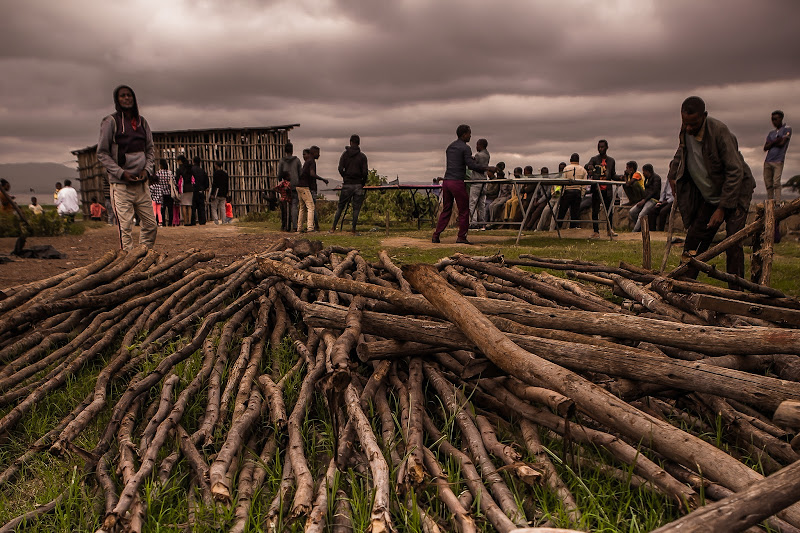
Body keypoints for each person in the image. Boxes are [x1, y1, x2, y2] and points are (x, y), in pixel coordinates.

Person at [667, 96, 755, 281]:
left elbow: (735, 171)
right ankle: (684, 284)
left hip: (736, 192)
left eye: (694, 124)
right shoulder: (686, 130)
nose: (689, 128)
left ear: (704, 116)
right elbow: (681, 152)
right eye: (686, 123)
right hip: (710, 195)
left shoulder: (719, 132)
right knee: (694, 239)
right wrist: (673, 174)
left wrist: (722, 209)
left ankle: (738, 293)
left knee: (733, 242)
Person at [96, 85, 157, 250]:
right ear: (117, 100)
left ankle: (143, 256)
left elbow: (150, 149)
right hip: (121, 185)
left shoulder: (142, 122)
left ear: (134, 98)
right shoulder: (111, 122)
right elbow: (102, 153)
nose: (126, 98)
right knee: (126, 227)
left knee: (151, 225)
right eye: (122, 96)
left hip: (141, 183)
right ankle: (128, 263)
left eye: (129, 95)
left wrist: (147, 170)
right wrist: (121, 173)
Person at [432, 124, 494, 244]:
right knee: (464, 210)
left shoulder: (450, 147)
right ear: (464, 134)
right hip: (457, 182)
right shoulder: (465, 148)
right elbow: (470, 166)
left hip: (447, 181)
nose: (470, 136)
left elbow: (459, 161)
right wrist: (488, 168)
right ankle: (461, 237)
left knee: (446, 209)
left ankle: (436, 235)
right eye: (469, 133)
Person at [331, 134, 369, 234]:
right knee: (356, 209)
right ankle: (353, 230)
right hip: (358, 184)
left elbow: (340, 168)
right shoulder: (362, 157)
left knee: (340, 207)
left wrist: (345, 177)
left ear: (350, 142)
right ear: (359, 143)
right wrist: (362, 183)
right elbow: (365, 173)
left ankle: (333, 228)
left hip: (347, 184)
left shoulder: (345, 155)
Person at [588, 140, 618, 238]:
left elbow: (613, 175)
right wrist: (591, 168)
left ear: (606, 148)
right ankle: (596, 231)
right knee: (595, 210)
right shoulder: (594, 159)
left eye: (602, 147)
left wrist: (621, 178)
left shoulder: (611, 161)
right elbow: (587, 166)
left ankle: (609, 230)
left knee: (609, 211)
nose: (601, 149)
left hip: (607, 189)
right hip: (597, 189)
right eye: (599, 147)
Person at [763, 110, 792, 204]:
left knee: (776, 182)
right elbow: (765, 147)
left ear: (781, 118)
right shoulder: (771, 133)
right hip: (768, 160)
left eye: (775, 119)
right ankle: (770, 202)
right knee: (768, 184)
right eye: (772, 119)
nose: (773, 122)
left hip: (778, 160)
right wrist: (776, 140)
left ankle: (778, 203)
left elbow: (782, 143)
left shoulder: (787, 129)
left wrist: (772, 142)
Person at [297, 147, 328, 233]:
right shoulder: (311, 161)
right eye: (318, 153)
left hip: (299, 186)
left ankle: (299, 228)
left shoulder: (307, 161)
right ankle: (310, 228)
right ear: (314, 153)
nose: (319, 155)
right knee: (311, 207)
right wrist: (323, 179)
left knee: (302, 208)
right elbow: (312, 174)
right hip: (304, 186)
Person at [556, 153, 588, 228]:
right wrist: (582, 194)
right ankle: (573, 228)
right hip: (577, 192)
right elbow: (584, 184)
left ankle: (558, 227)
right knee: (575, 212)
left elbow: (563, 182)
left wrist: (562, 193)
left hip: (568, 191)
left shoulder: (566, 168)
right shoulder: (583, 169)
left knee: (562, 211)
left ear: (570, 160)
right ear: (578, 160)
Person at [628, 164, 662, 232]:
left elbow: (654, 191)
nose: (643, 173)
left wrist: (644, 200)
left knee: (642, 214)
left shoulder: (656, 178)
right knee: (632, 212)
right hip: (645, 200)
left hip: (652, 200)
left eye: (644, 172)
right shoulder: (647, 179)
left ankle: (635, 231)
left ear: (647, 171)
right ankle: (640, 228)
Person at [278, 142, 302, 232]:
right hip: (295, 185)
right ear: (292, 150)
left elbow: (279, 174)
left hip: (285, 186)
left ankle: (284, 225)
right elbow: (301, 173)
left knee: (284, 205)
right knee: (294, 206)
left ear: (285, 150)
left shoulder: (282, 161)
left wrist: (280, 179)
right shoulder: (297, 160)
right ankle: (295, 226)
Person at [468, 138, 490, 228]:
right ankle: (482, 222)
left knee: (473, 203)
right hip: (484, 181)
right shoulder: (487, 155)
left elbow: (473, 166)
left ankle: (473, 222)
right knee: (481, 204)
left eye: (477, 145)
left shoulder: (478, 155)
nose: (476, 147)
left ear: (481, 145)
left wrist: (471, 160)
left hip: (476, 181)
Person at [156, 159, 176, 226]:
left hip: (161, 194)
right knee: (170, 209)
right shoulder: (170, 173)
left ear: (160, 165)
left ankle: (163, 223)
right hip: (169, 193)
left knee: (162, 209)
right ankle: (170, 223)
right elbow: (174, 182)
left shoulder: (158, 173)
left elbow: (156, 182)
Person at [190, 156, 209, 225]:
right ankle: (202, 220)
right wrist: (205, 187)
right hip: (201, 190)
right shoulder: (202, 170)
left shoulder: (191, 170)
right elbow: (206, 180)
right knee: (201, 206)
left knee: (193, 206)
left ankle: (193, 221)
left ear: (193, 161)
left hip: (193, 190)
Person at [149, 161, 168, 227]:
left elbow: (150, 192)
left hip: (154, 200)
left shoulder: (152, 186)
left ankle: (154, 221)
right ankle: (160, 222)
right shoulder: (159, 186)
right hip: (159, 200)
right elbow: (161, 193)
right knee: (159, 212)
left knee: (154, 211)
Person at [176, 155, 192, 225]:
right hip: (190, 187)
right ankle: (189, 221)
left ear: (180, 161)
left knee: (184, 205)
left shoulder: (179, 169)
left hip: (183, 188)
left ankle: (185, 221)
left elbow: (177, 179)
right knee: (189, 205)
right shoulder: (189, 167)